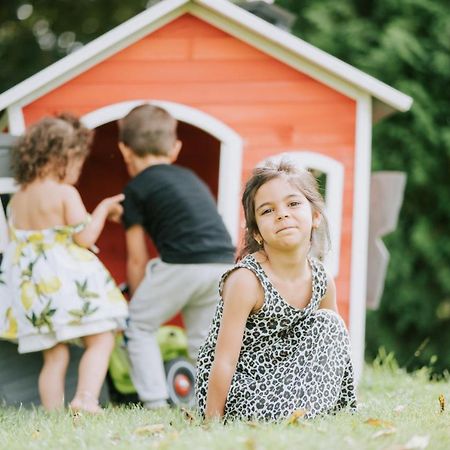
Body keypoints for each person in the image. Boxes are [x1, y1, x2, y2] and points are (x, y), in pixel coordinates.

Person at [196, 160, 357, 421]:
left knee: (331, 324)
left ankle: (329, 414)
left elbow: (334, 351)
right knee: (330, 325)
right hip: (243, 392)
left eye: (293, 204)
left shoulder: (322, 279)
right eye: (268, 210)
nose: (282, 214)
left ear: (316, 216)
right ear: (257, 233)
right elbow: (223, 360)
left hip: (289, 385)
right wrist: (211, 422)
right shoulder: (247, 281)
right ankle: (297, 417)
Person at [0, 114, 128, 413]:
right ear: (60, 158)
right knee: (101, 338)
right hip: (66, 287)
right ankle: (85, 399)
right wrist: (103, 209)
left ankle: (53, 414)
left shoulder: (18, 198)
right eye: (77, 163)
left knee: (54, 356)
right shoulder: (64, 193)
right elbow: (84, 237)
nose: (78, 171)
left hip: (34, 292)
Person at [118, 104, 235, 409]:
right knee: (202, 339)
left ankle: (155, 402)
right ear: (175, 148)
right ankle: (207, 407)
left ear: (124, 150)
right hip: (223, 263)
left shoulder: (136, 188)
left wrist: (137, 295)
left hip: (184, 264)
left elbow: (136, 259)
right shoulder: (191, 178)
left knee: (139, 326)